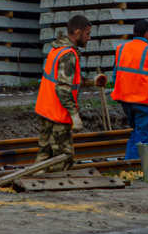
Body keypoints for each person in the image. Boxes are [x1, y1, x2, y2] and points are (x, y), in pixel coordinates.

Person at [33, 14, 106, 170]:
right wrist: (74, 114)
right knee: (63, 158)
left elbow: (70, 79)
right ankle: (57, 190)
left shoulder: (57, 49)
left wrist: (93, 82)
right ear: (78, 32)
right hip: (58, 114)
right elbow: (64, 87)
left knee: (45, 155)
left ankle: (38, 185)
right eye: (88, 34)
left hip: (46, 111)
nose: (89, 38)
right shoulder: (69, 55)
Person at [111, 18, 148, 161]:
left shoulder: (121, 49)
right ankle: (136, 166)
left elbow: (115, 75)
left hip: (125, 100)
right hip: (144, 101)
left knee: (136, 132)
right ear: (147, 33)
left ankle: (129, 162)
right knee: (143, 135)